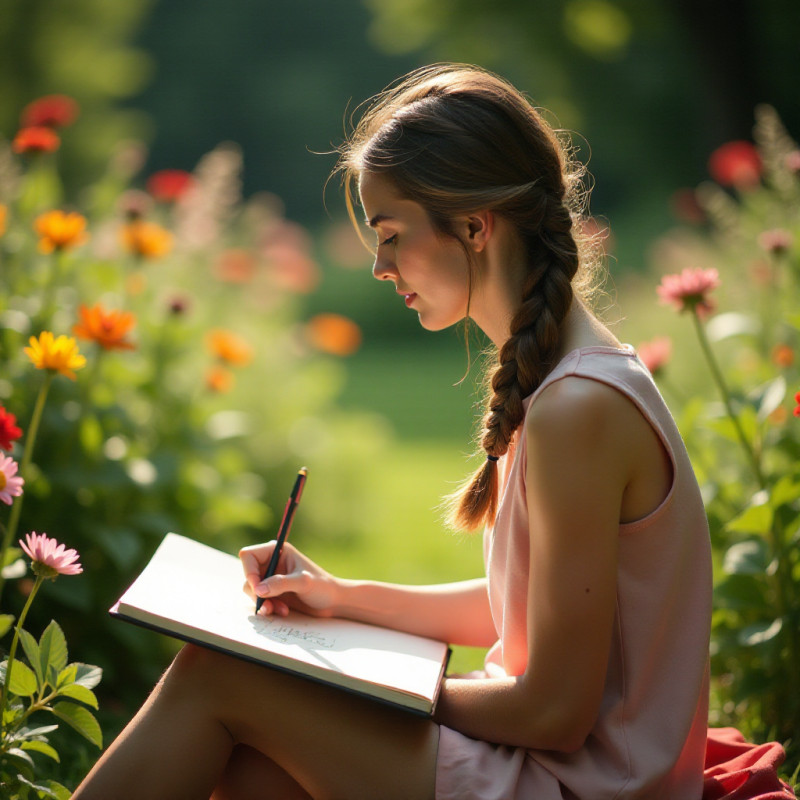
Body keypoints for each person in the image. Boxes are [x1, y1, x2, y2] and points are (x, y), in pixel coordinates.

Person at [73, 63, 713, 800]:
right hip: (561, 773)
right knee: (253, 772)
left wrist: (354, 680)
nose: (378, 266)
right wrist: (340, 598)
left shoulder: (580, 408)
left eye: (391, 235)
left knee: (222, 675)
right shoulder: (565, 384)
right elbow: (531, 607)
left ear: (475, 226)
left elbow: (553, 713)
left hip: (585, 786)